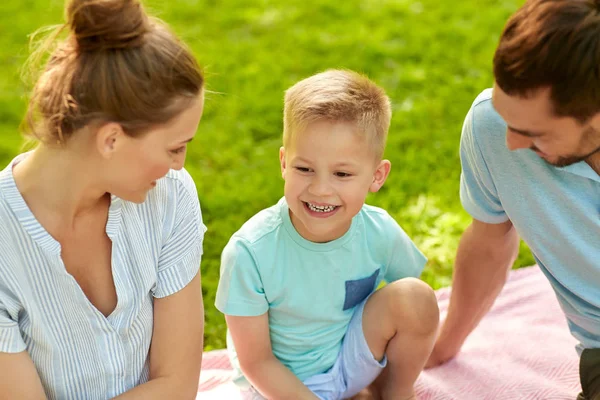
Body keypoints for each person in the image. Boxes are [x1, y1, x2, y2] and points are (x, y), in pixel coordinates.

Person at [0, 0, 206, 398]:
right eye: (174, 148)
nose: (180, 166)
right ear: (111, 139)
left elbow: (178, 386)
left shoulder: (169, 197)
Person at [215, 69, 439, 400]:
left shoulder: (378, 231)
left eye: (342, 173)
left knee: (416, 297)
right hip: (275, 386)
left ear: (376, 177)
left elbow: (413, 311)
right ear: (283, 162)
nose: (320, 189)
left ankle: (390, 391)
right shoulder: (250, 251)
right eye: (304, 169)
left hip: (350, 364)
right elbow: (256, 361)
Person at [425, 0, 600, 399]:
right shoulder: (491, 128)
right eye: (508, 119)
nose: (510, 143)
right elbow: (488, 243)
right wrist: (442, 347)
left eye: (535, 132)